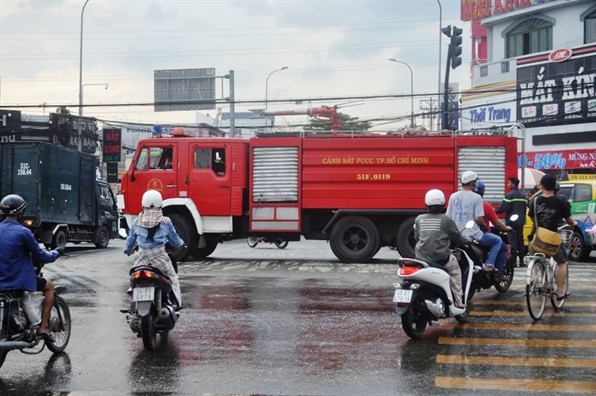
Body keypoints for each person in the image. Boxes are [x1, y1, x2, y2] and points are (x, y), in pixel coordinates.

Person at [0, 194, 63, 341]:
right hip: (16, 281)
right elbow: (42, 256)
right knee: (49, 286)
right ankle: (43, 327)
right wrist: (56, 252)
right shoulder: (23, 232)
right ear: (21, 213)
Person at [124, 190, 185, 306]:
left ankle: (133, 304)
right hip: (160, 258)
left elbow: (130, 241)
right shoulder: (165, 221)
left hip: (141, 259)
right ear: (160, 204)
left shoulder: (136, 221)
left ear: (143, 204)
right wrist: (181, 244)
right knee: (173, 278)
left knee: (133, 280)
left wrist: (127, 251)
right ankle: (175, 304)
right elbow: (175, 240)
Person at [414, 189, 469, 309]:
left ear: (426, 204)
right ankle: (458, 301)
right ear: (443, 204)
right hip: (441, 258)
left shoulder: (419, 219)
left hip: (421, 257)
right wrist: (467, 240)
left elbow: (417, 236)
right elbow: (458, 237)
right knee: (455, 272)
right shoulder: (446, 220)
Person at [527, 174, 576, 301]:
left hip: (537, 240)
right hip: (552, 242)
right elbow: (569, 220)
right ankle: (559, 292)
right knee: (562, 262)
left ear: (541, 186)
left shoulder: (535, 200)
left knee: (535, 257)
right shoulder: (560, 201)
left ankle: (532, 280)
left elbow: (532, 218)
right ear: (555, 186)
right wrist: (573, 224)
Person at [446, 170, 502, 272]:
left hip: (455, 235)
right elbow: (478, 218)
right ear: (472, 183)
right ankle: (489, 264)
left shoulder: (453, 196)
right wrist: (484, 225)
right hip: (473, 234)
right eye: (475, 182)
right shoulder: (476, 197)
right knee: (497, 240)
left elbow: (448, 217)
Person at [474, 180, 512, 274]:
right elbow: (497, 224)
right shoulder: (485, 206)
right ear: (483, 192)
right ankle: (495, 270)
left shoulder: (465, 205)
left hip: (465, 234)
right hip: (480, 235)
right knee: (501, 245)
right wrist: (507, 228)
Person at [496, 177, 528, 267]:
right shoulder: (523, 196)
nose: (508, 185)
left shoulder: (509, 195)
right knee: (520, 241)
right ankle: (521, 262)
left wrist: (495, 211)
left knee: (512, 241)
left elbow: (504, 208)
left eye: (509, 183)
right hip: (521, 221)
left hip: (511, 222)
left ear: (513, 184)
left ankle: (513, 262)